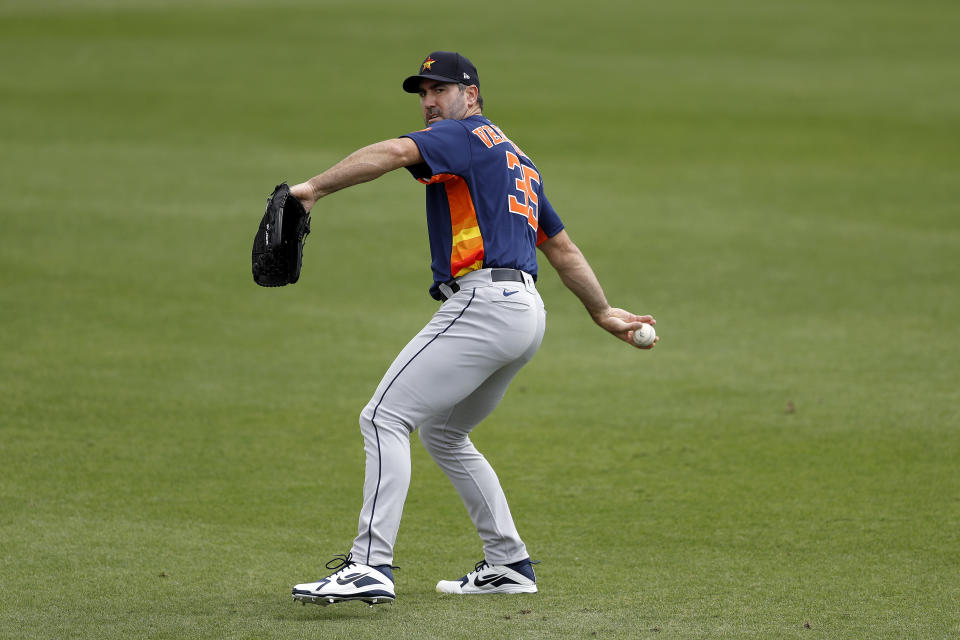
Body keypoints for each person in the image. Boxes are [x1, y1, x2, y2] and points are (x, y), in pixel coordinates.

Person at [289, 51, 657, 607]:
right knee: (443, 433)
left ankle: (369, 565)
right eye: (423, 92)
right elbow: (559, 246)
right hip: (526, 313)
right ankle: (509, 563)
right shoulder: (516, 159)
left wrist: (311, 189)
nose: (430, 102)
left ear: (472, 95)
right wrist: (602, 311)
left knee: (383, 416)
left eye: (441, 90)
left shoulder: (463, 136)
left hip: (484, 305)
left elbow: (392, 152)